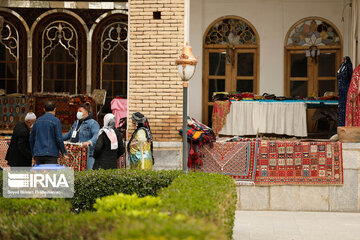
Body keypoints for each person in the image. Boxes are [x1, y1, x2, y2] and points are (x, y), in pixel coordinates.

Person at [63, 102, 100, 170]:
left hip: (87, 154)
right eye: (77, 111)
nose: (78, 113)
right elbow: (69, 134)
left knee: (87, 174)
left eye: (80, 111)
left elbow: (96, 136)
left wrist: (89, 142)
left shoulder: (93, 123)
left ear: (86, 113)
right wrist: (58, 138)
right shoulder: (76, 123)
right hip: (74, 154)